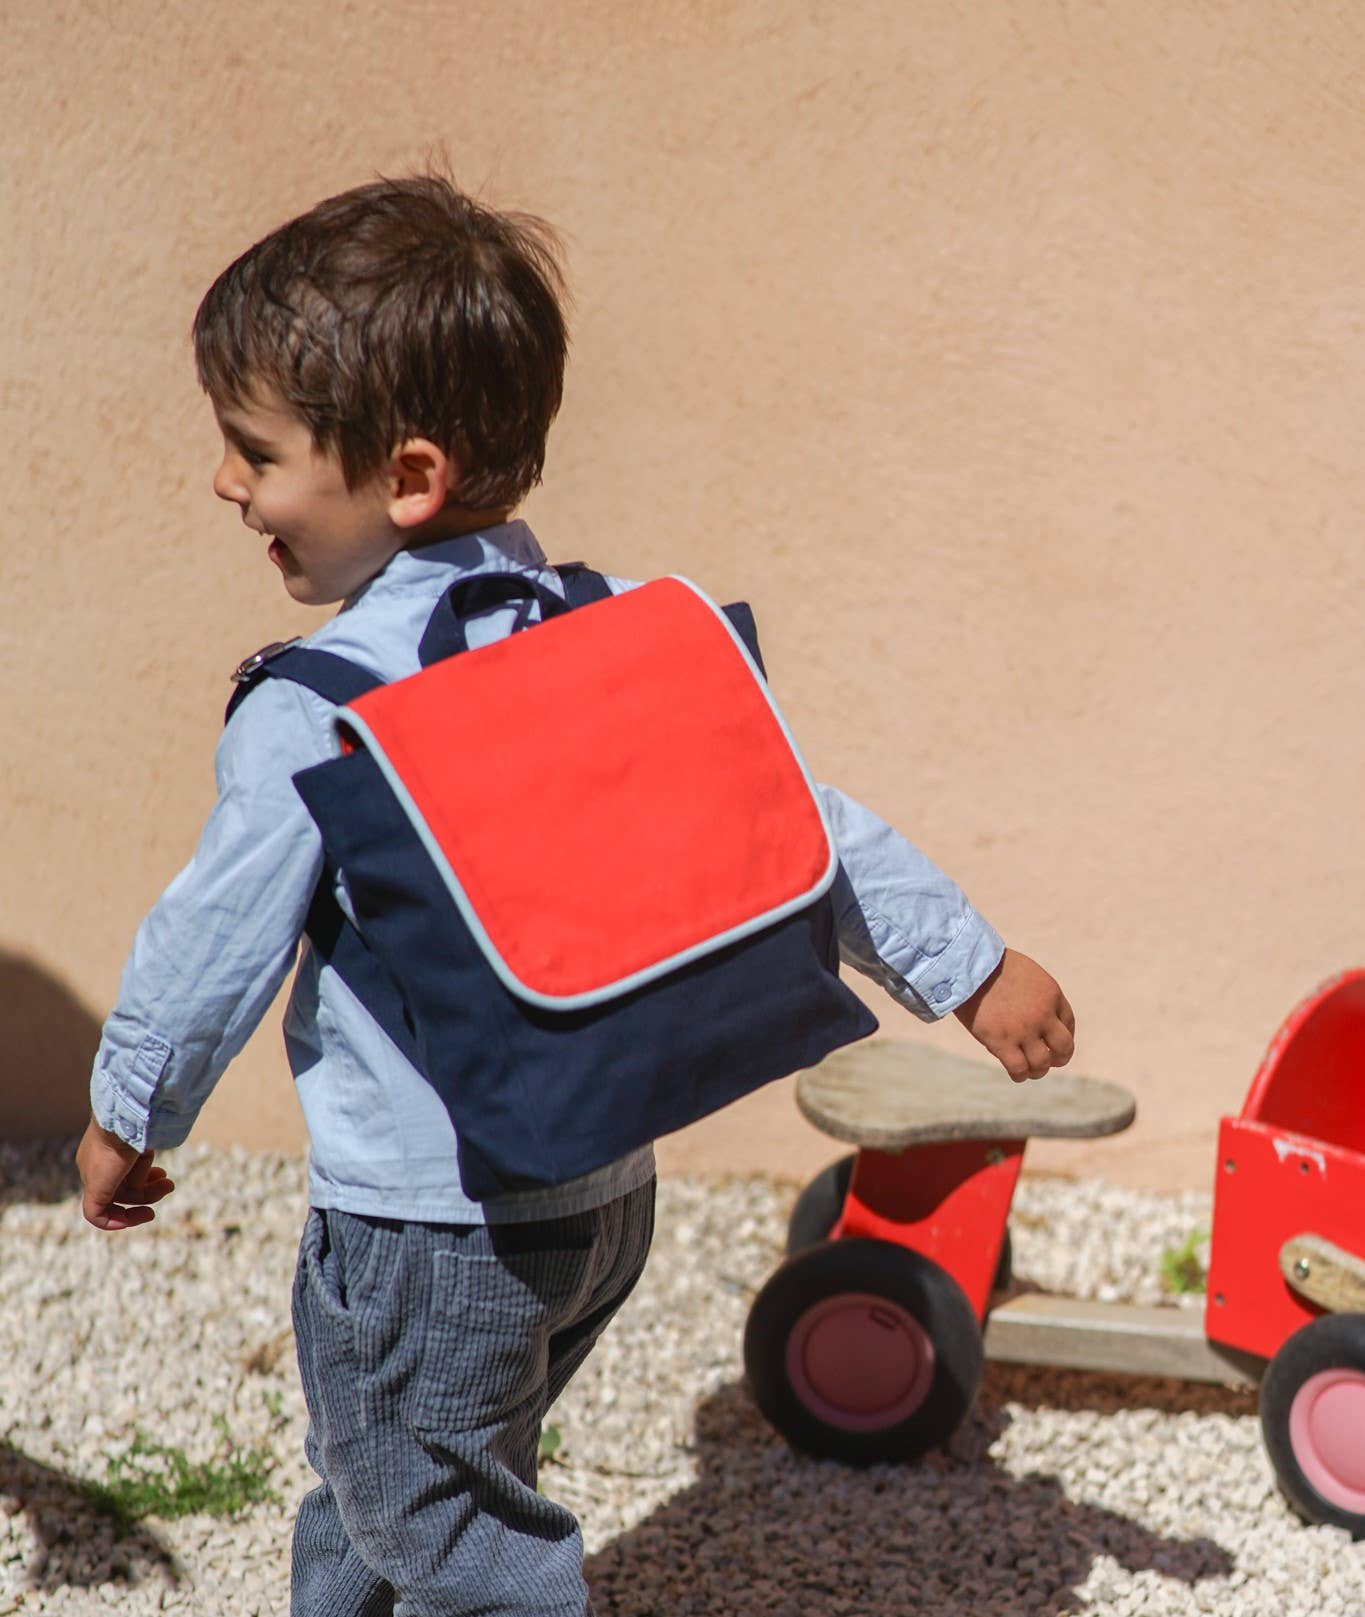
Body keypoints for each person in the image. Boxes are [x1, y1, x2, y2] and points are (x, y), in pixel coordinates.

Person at [76, 172, 1076, 1617]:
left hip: (431, 1221)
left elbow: (211, 939)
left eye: (254, 450)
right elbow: (796, 821)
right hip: (600, 1194)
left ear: (406, 477)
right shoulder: (610, 633)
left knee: (455, 1526)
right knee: (400, 1470)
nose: (226, 483)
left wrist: (131, 1107)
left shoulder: (321, 710)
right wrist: (970, 966)